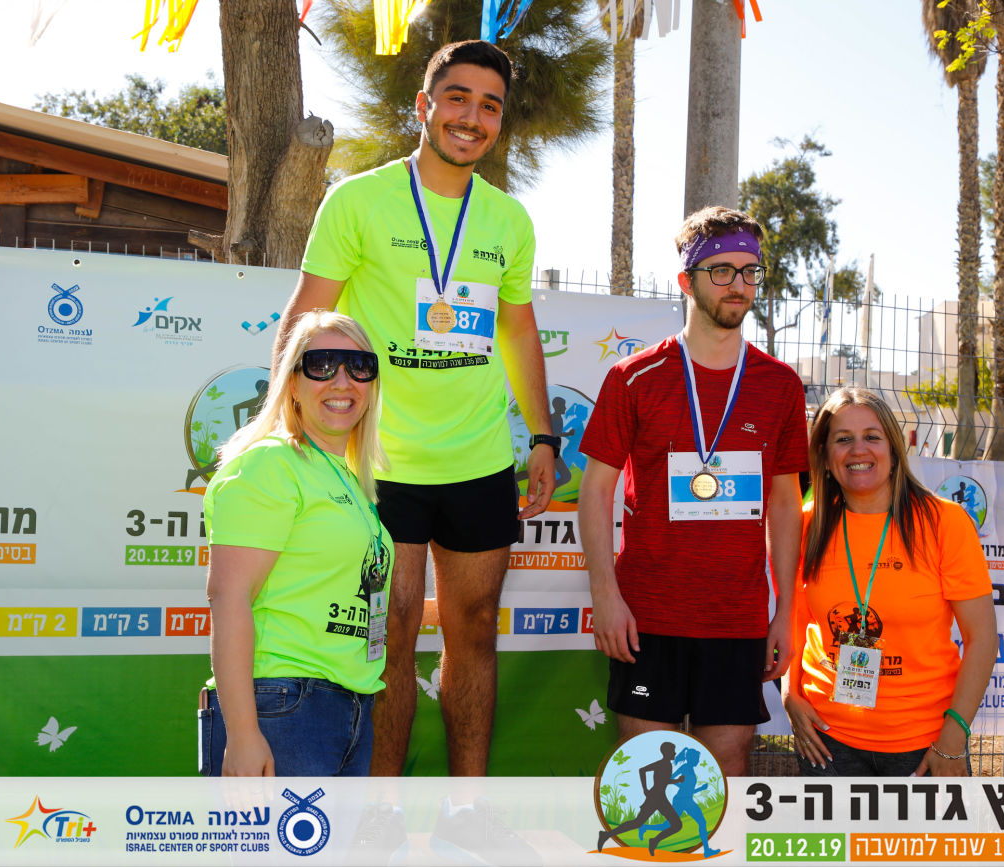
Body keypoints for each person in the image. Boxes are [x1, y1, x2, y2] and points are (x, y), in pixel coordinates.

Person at [274, 39, 556, 778]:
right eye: (457, 98)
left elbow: (518, 330)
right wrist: (283, 424)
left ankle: (468, 810)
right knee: (389, 634)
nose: (472, 118)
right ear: (424, 105)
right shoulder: (357, 200)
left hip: (478, 460)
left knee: (476, 632)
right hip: (378, 462)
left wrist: (543, 435)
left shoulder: (509, 220)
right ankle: (379, 815)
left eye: (489, 106)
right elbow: (305, 318)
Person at [580, 205, 808, 776]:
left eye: (750, 271)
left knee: (725, 767)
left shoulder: (780, 385)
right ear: (687, 281)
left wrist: (785, 610)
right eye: (721, 271)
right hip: (647, 615)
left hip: (737, 619)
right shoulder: (633, 377)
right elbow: (596, 491)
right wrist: (605, 595)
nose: (739, 285)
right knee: (643, 767)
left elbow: (785, 502)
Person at [203, 310, 393, 776]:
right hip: (282, 706)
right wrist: (243, 735)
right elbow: (229, 596)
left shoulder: (349, 480)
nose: (342, 381)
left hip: (348, 708)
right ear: (291, 383)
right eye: (322, 364)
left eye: (359, 366)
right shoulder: (270, 464)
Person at [784, 387, 996, 776]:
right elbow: (794, 620)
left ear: (894, 451)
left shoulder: (944, 523)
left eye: (872, 437)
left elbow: (982, 638)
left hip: (924, 742)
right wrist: (789, 695)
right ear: (825, 457)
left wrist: (954, 735)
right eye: (843, 439)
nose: (858, 450)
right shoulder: (806, 523)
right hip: (826, 739)